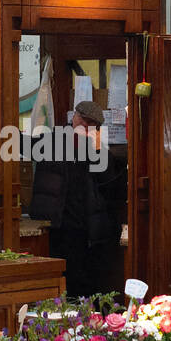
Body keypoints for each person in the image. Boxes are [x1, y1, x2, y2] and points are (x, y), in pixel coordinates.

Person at [28, 100, 117, 299]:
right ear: (74, 117)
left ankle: (84, 323)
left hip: (85, 227)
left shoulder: (98, 149)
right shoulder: (51, 140)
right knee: (61, 282)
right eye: (82, 120)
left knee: (84, 284)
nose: (84, 126)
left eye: (90, 123)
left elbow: (109, 182)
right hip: (57, 225)